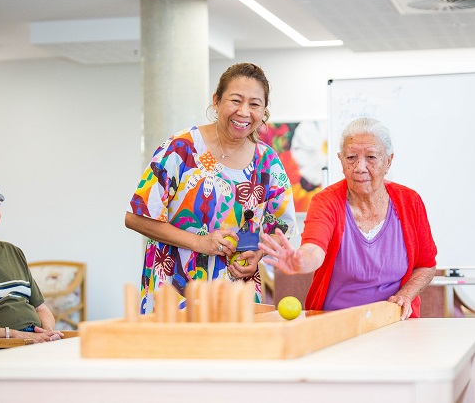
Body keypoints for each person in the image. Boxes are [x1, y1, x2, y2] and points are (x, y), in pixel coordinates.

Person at [125, 62, 297, 313]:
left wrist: (257, 256)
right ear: (216, 101)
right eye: (235, 100)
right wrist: (199, 242)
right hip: (173, 290)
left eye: (254, 104)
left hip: (236, 295)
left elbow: (281, 229)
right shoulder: (181, 149)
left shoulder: (267, 162)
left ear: (264, 111)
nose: (244, 112)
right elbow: (136, 217)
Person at [259, 117, 437, 320]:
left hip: (394, 322)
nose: (360, 167)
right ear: (341, 160)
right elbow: (314, 249)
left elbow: (426, 265)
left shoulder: (409, 201)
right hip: (335, 322)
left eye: (371, 157)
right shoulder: (326, 201)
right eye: (351, 157)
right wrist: (301, 262)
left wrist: (405, 296)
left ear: (388, 161)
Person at [0, 176, 63, 354]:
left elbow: (40, 308)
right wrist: (10, 335)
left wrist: (47, 333)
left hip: (32, 342)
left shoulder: (13, 252)